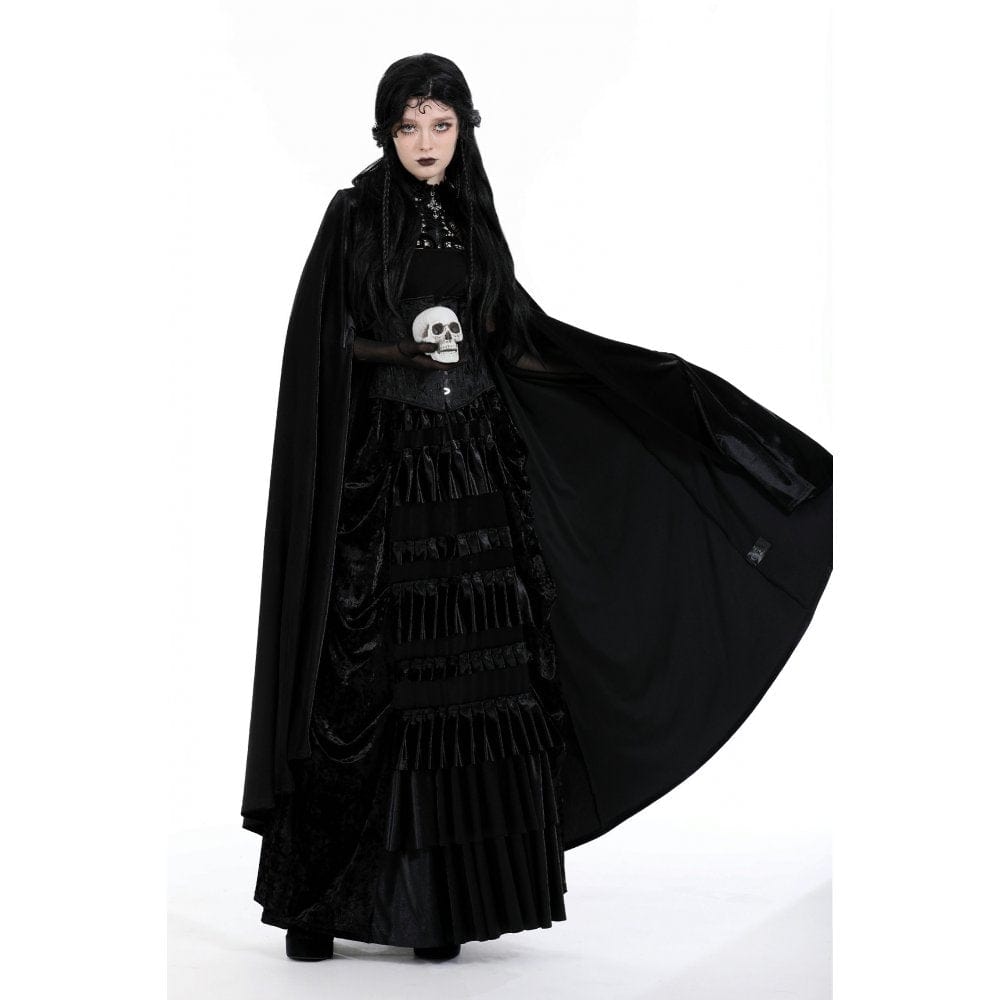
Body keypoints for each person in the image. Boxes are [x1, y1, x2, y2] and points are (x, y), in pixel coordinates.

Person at [242, 53, 834, 964]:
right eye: (409, 125)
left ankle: (439, 905)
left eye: (441, 124)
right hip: (386, 478)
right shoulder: (353, 213)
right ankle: (318, 905)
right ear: (386, 131)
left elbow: (511, 337)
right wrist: (394, 354)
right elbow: (322, 344)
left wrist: (641, 384)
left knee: (466, 682)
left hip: (474, 475)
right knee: (364, 676)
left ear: (465, 129)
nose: (425, 142)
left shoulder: (474, 216)